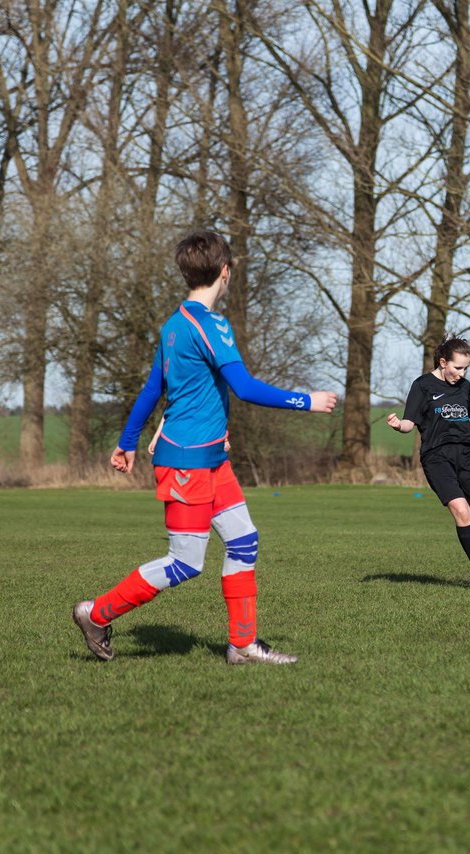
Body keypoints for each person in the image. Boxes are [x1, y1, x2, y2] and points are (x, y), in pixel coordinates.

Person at [72, 230, 337, 665]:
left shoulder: (173, 325)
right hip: (187, 465)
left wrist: (127, 442)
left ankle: (243, 645)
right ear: (226, 272)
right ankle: (95, 614)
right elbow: (245, 387)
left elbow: (151, 390)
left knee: (244, 542)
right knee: (185, 563)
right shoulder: (210, 324)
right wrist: (307, 400)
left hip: (213, 460)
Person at [386, 336, 470, 590]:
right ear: (443, 362)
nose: (461, 374)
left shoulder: (464, 385)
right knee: (461, 512)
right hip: (436, 457)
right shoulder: (422, 386)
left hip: (466, 455)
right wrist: (398, 426)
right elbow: (409, 422)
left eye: (466, 368)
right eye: (457, 367)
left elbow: (468, 413)